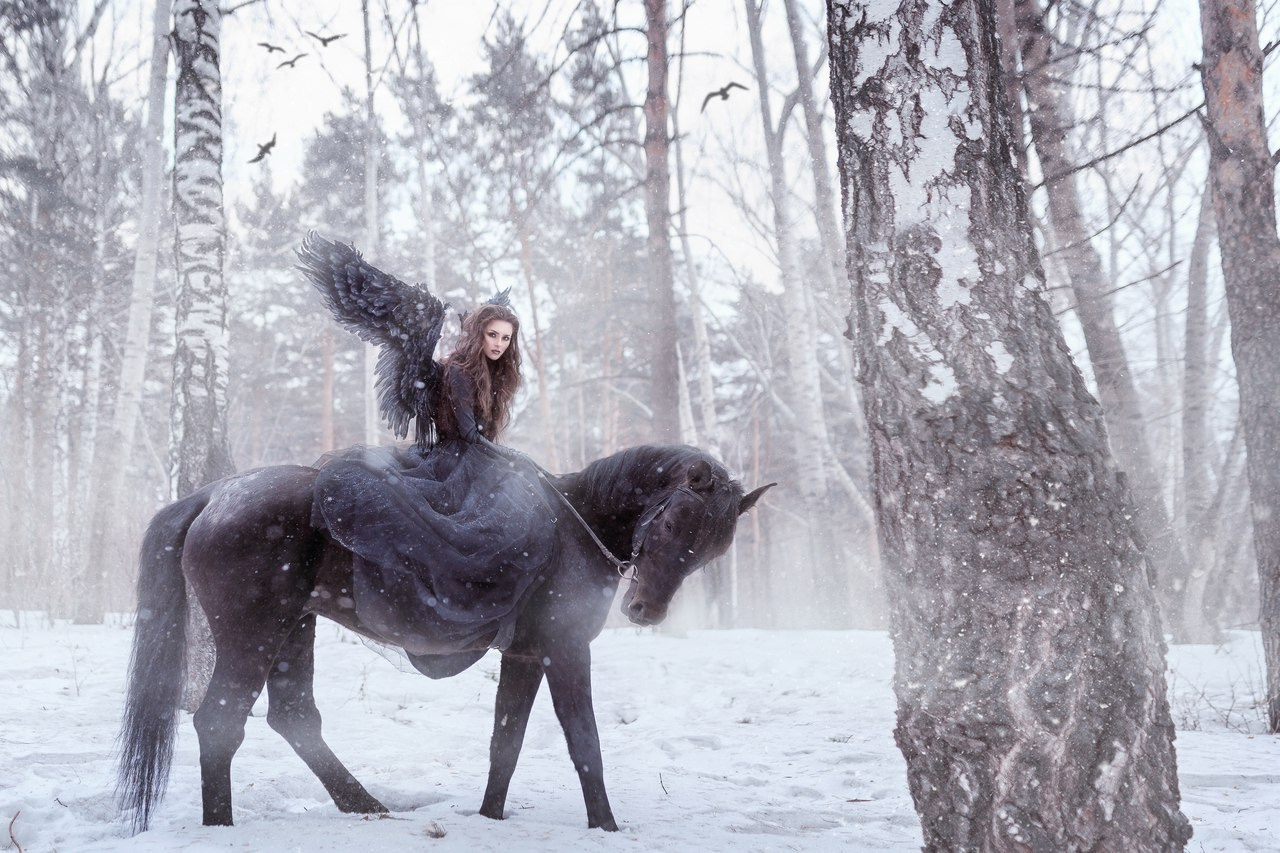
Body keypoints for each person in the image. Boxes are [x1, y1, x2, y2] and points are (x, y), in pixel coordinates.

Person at [296, 233, 558, 664]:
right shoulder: (457, 372)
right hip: (450, 463)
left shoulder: (494, 377)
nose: (498, 344)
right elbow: (470, 437)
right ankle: (445, 619)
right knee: (455, 537)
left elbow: (484, 439)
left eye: (506, 338)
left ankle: (504, 617)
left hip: (477, 463)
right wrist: (515, 459)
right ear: (478, 333)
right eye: (492, 335)